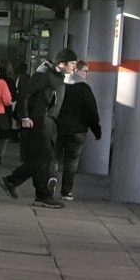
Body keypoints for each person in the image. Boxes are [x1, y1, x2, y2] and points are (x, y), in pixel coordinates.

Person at [1, 54, 65, 208]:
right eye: (72, 63)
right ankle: (40, 194)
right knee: (43, 159)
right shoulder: (44, 76)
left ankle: (15, 183)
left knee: (39, 160)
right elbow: (25, 95)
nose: (74, 67)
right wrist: (24, 117)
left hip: (44, 122)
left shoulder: (54, 77)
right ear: (62, 63)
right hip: (39, 123)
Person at [54, 49, 102, 200]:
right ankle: (66, 191)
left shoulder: (60, 85)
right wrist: (96, 130)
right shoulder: (84, 88)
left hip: (58, 127)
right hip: (78, 130)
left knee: (54, 158)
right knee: (71, 161)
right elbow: (91, 111)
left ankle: (50, 183)